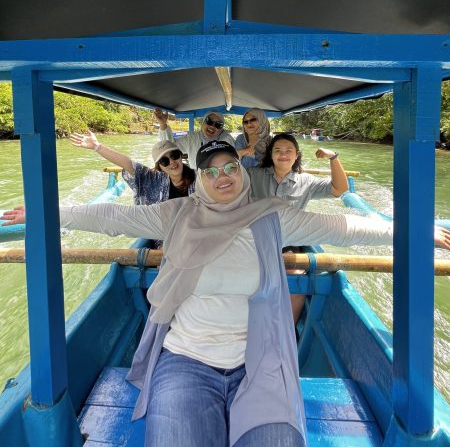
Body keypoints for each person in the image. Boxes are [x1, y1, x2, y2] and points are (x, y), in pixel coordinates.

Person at [3, 141, 449, 447]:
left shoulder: (272, 216)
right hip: (186, 358)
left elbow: (344, 228)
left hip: (259, 360)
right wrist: (49, 211)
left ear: (242, 171)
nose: (222, 177)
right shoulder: (177, 214)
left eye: (230, 167)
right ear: (200, 178)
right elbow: (111, 218)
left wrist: (417, 230)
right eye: (211, 171)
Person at [248, 132, 349, 322]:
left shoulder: (306, 181)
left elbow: (340, 189)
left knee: (297, 281)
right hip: (255, 241)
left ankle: (289, 331)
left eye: (288, 150)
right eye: (278, 150)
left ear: (296, 155)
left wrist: (333, 158)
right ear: (271, 154)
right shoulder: (253, 175)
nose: (283, 154)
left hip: (288, 244)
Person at [69, 130, 196, 248]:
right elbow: (129, 164)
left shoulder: (200, 179)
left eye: (174, 155)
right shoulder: (154, 180)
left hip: (194, 237)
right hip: (166, 240)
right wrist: (97, 147)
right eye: (164, 161)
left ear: (181, 156)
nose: (172, 162)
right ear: (159, 167)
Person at [155, 108, 235, 168]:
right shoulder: (192, 138)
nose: (212, 126)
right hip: (196, 179)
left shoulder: (226, 141)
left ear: (221, 129)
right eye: (209, 121)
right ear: (202, 122)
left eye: (218, 125)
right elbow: (169, 147)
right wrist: (163, 124)